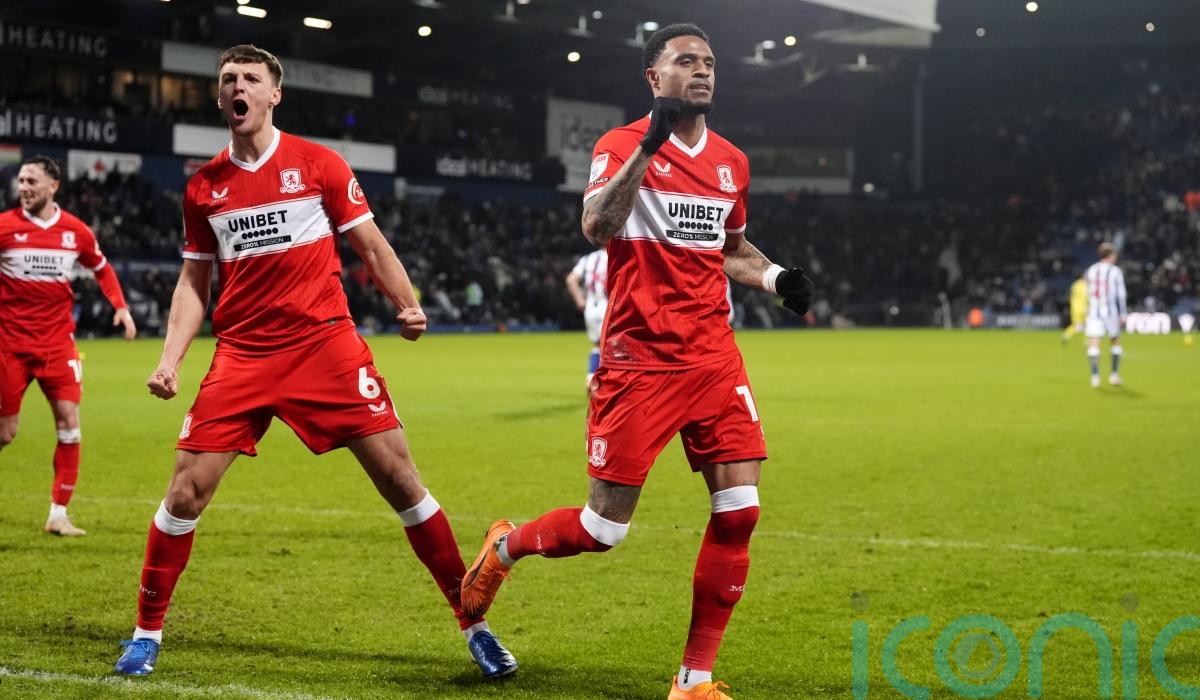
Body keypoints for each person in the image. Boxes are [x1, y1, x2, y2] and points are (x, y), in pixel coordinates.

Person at [112, 44, 516, 680]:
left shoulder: (319, 164)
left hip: (325, 346)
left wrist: (407, 304)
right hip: (243, 353)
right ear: (219, 97)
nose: (238, 87)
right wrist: (170, 359)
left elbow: (371, 245)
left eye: (251, 78)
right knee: (185, 491)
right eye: (228, 79)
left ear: (274, 94)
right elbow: (194, 281)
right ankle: (145, 633)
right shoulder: (203, 187)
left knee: (401, 480)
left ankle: (476, 627)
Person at [460, 24, 813, 700]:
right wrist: (649, 148)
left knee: (740, 509)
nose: (703, 71)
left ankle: (694, 680)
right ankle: (505, 546)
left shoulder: (731, 162)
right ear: (655, 78)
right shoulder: (620, 145)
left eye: (710, 62)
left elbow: (731, 247)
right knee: (603, 530)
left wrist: (775, 278)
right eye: (686, 61)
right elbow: (597, 226)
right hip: (639, 360)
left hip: (713, 357)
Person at [0, 155, 137, 537]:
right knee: (6, 432)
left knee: (69, 425)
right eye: (21, 181)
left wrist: (121, 308)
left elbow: (101, 268)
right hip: (10, 345)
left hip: (58, 344)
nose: (23, 187)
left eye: (31, 181)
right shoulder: (5, 227)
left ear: (53, 186)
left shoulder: (75, 231)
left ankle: (58, 514)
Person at [565, 246, 608, 393]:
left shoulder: (588, 259)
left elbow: (571, 279)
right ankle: (605, 382)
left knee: (596, 344)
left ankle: (590, 376)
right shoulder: (614, 255)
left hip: (590, 307)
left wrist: (579, 300)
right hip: (608, 304)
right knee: (610, 345)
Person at [1084, 242, 1127, 387]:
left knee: (1094, 343)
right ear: (1110, 255)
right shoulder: (1115, 271)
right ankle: (1114, 375)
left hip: (1094, 311)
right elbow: (1121, 294)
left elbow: (1088, 291)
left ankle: (1095, 376)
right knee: (1115, 341)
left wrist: (1088, 308)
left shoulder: (1091, 270)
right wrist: (1123, 313)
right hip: (1111, 312)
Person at [1060, 274, 1086, 344]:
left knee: (1076, 325)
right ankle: (1087, 341)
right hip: (1084, 308)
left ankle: (1066, 335)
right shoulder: (1085, 285)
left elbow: (1071, 295)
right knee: (1087, 325)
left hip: (1074, 307)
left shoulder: (1074, 285)